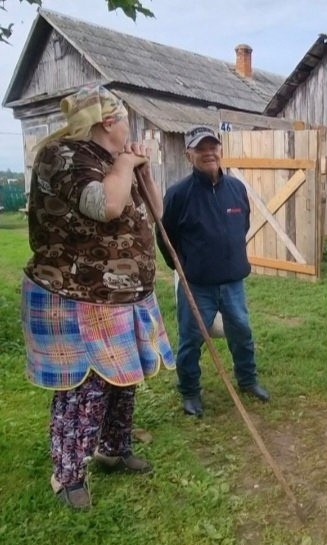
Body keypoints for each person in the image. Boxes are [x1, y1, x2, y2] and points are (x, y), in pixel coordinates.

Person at [21, 84, 175, 510]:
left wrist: (139, 170)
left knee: (124, 380)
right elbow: (104, 206)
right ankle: (68, 474)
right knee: (82, 387)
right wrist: (126, 162)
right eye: (126, 120)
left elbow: (156, 213)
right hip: (77, 295)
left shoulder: (115, 162)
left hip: (121, 298)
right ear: (109, 122)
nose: (130, 129)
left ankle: (112, 450)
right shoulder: (65, 156)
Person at [158, 125, 270, 417]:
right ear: (188, 154)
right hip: (196, 284)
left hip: (233, 281)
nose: (209, 153)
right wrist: (181, 268)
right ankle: (190, 392)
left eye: (213, 147)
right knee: (192, 339)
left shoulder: (236, 188)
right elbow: (165, 236)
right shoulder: (178, 194)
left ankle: (247, 380)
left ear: (220, 150)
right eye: (200, 148)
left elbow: (242, 225)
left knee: (241, 332)